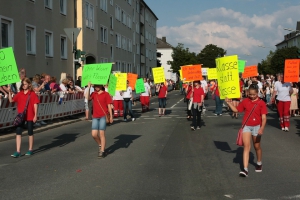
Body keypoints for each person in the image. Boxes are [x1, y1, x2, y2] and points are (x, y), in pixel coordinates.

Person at [226, 83, 267, 177]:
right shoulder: (245, 101)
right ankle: (245, 169)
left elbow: (264, 118)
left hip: (257, 126)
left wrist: (262, 128)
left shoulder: (261, 103)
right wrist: (228, 102)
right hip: (246, 126)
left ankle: (259, 163)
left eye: (254, 94)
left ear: (257, 93)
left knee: (257, 146)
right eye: (250, 94)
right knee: (246, 147)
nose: (252, 96)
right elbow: (236, 110)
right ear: (248, 93)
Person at [7, 78, 40, 158]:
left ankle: (30, 149)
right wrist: (9, 91)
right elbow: (11, 100)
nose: (24, 85)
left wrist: (35, 115)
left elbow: (35, 104)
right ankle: (18, 151)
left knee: (30, 132)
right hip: (21, 116)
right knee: (18, 132)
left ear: (29, 84)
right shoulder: (20, 93)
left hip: (30, 115)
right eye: (23, 84)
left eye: (25, 84)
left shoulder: (32, 94)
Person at [86, 82, 113, 158]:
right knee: (94, 134)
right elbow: (88, 98)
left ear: (101, 86)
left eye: (98, 86)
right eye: (95, 86)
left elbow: (109, 106)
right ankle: (101, 145)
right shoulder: (94, 94)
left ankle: (102, 151)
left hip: (103, 116)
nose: (96, 87)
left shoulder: (106, 94)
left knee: (102, 134)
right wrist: (88, 88)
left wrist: (111, 116)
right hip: (95, 116)